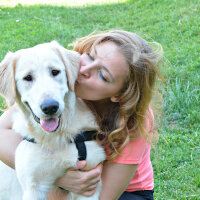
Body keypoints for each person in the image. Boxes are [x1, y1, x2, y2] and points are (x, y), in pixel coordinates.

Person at [0, 30, 163, 200]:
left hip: (123, 192)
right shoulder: (61, 73)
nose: (84, 69)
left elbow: (104, 196)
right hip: (68, 179)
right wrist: (56, 177)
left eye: (102, 75)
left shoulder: (134, 118)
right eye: (91, 57)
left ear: (120, 94)